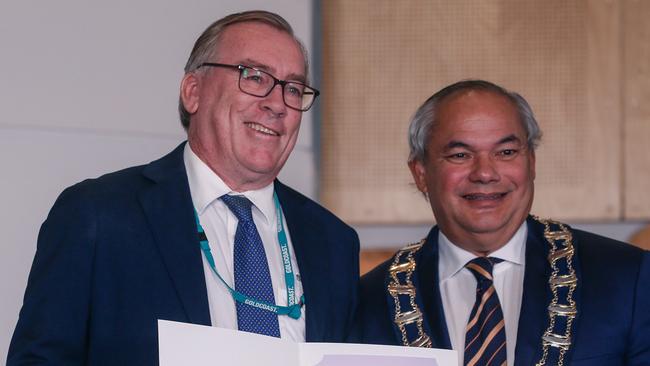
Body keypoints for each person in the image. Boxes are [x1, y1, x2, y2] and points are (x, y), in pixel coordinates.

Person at [8, 10, 359, 365]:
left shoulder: (333, 242)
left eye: (294, 89)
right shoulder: (98, 216)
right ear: (193, 92)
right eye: (254, 77)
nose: (276, 104)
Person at [350, 80, 650, 365]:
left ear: (531, 163)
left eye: (506, 152)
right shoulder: (369, 301)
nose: (485, 173)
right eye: (460, 154)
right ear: (421, 173)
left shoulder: (627, 278)